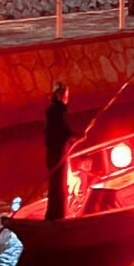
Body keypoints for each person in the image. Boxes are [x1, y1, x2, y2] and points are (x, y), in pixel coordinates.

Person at [44, 82, 77, 222]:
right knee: (59, 186)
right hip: (57, 153)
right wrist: (74, 136)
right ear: (61, 95)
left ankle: (54, 215)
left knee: (56, 185)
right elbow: (61, 130)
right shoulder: (57, 111)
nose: (67, 98)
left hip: (54, 152)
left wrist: (72, 137)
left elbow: (59, 131)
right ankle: (57, 217)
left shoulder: (54, 110)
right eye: (66, 95)